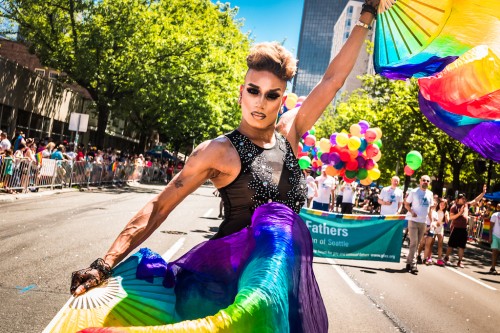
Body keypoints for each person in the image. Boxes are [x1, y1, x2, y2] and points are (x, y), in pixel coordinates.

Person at [70, 3, 379, 330]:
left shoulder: (290, 132)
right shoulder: (217, 151)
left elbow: (332, 80)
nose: (260, 102)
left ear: (281, 100)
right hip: (221, 291)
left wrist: (367, 14)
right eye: (253, 91)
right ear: (240, 93)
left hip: (279, 289)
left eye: (272, 95)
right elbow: (159, 206)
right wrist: (105, 263)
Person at [443, 186, 487, 268]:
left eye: (464, 198)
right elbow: (451, 218)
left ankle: (459, 261)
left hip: (463, 229)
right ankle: (446, 257)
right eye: (462, 198)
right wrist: (459, 213)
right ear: (458, 199)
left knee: (462, 246)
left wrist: (483, 193)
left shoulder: (467, 205)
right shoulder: (454, 207)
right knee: (451, 244)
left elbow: (475, 200)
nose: (464, 199)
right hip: (456, 228)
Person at [404, 175, 434, 273]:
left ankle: (408, 262)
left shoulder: (430, 194)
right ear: (420, 181)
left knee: (416, 244)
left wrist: (432, 221)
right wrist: (411, 211)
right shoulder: (414, 192)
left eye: (427, 181)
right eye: (424, 180)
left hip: (423, 222)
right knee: (414, 242)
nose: (425, 182)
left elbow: (430, 209)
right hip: (413, 220)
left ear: (429, 183)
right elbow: (406, 204)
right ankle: (413, 264)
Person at [489, 203, 500, 275]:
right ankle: (493, 267)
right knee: (494, 252)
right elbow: (490, 227)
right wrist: (490, 237)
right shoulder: (495, 215)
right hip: (495, 235)